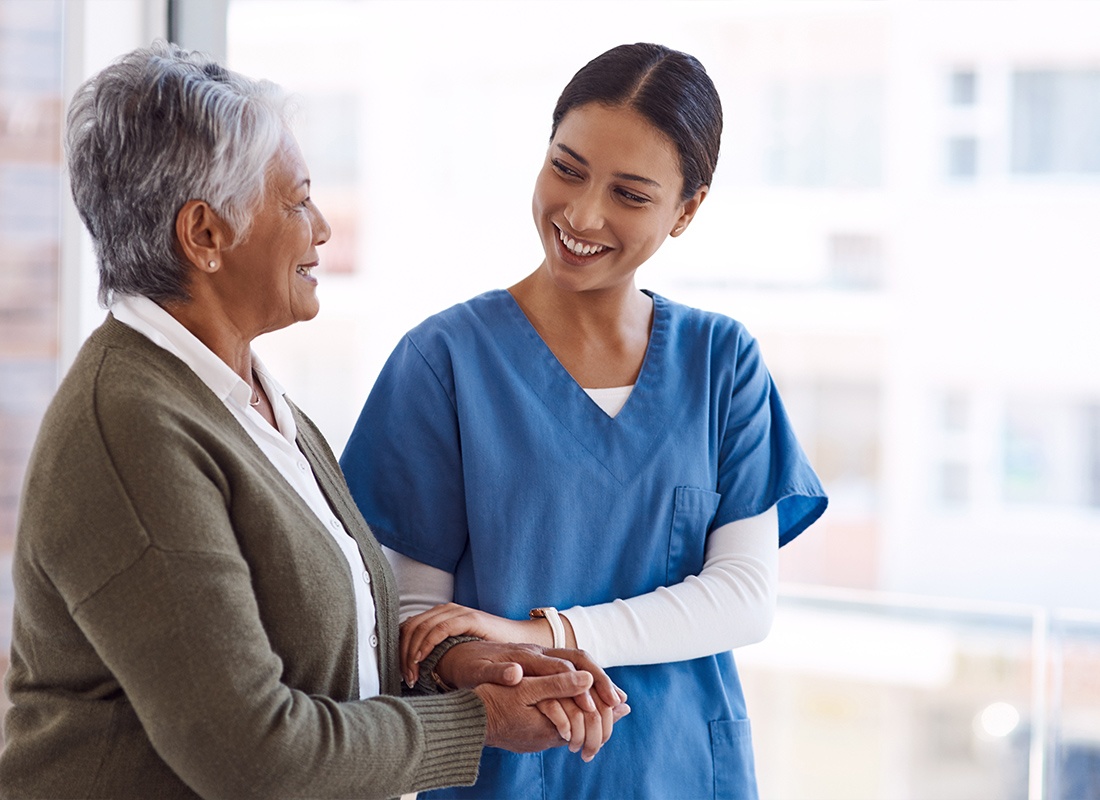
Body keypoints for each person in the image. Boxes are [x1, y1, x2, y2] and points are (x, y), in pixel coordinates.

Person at [0, 42, 629, 800]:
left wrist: (449, 663)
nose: (323, 228)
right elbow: (252, 754)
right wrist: (476, 721)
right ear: (205, 235)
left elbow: (310, 637)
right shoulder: (132, 426)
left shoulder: (244, 395)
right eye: (296, 201)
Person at [339, 42, 829, 799]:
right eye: (567, 168)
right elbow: (419, 619)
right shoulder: (443, 362)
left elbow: (742, 597)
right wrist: (492, 658)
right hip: (507, 770)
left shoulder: (721, 363)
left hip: (683, 770)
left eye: (631, 194)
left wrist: (546, 634)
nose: (582, 213)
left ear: (687, 210)